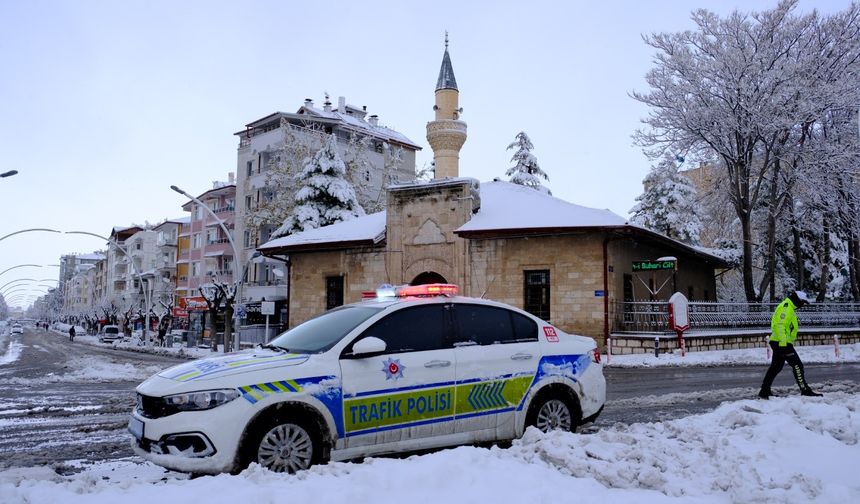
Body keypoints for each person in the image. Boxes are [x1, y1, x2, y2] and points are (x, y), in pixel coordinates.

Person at [758, 290, 822, 399]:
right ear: (797, 300)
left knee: (776, 367)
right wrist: (784, 344)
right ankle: (805, 390)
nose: (802, 305)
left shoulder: (789, 307)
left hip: (779, 342)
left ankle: (764, 391)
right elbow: (779, 325)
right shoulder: (786, 308)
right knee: (797, 365)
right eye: (802, 302)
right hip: (782, 343)